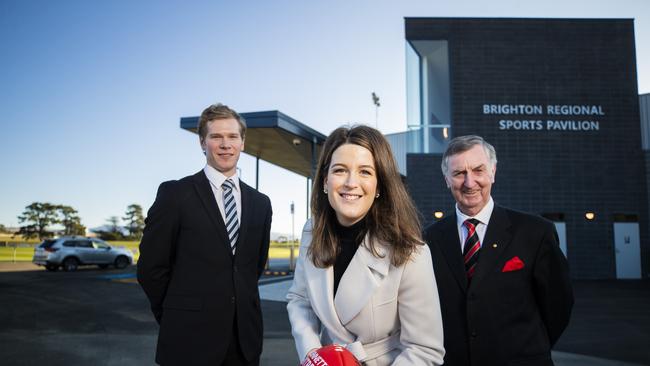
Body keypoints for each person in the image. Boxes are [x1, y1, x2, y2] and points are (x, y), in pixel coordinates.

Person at [287, 125, 445, 366]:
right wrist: (314, 356)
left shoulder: (411, 251)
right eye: (340, 170)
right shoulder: (312, 231)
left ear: (379, 186)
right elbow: (300, 299)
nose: (351, 183)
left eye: (365, 172)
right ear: (325, 181)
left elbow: (424, 350)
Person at [137, 103, 272, 366]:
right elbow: (151, 268)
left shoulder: (260, 202)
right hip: (188, 340)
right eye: (216, 137)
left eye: (233, 137)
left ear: (242, 143)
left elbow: (252, 267)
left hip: (244, 342)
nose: (225, 144)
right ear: (202, 142)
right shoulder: (175, 194)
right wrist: (173, 314)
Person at [424, 135, 573, 366]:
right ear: (446, 179)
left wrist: (531, 348)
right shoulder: (428, 240)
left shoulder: (535, 233)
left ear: (493, 171)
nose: (469, 182)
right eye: (459, 173)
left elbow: (559, 304)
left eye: (478, 170)